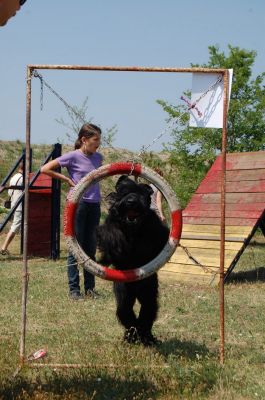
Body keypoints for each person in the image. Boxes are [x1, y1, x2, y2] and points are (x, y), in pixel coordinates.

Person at [41, 123, 103, 300]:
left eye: (99, 139)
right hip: (77, 205)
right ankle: (74, 290)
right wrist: (66, 179)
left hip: (94, 205)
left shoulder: (98, 158)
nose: (98, 143)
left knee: (90, 247)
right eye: (95, 140)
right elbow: (44, 169)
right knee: (74, 247)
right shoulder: (73, 156)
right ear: (84, 140)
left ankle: (90, 289)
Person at [0, 161, 24, 255]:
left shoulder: (14, 177)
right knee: (14, 228)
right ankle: (3, 248)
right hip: (20, 207)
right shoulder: (23, 178)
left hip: (14, 205)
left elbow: (10, 193)